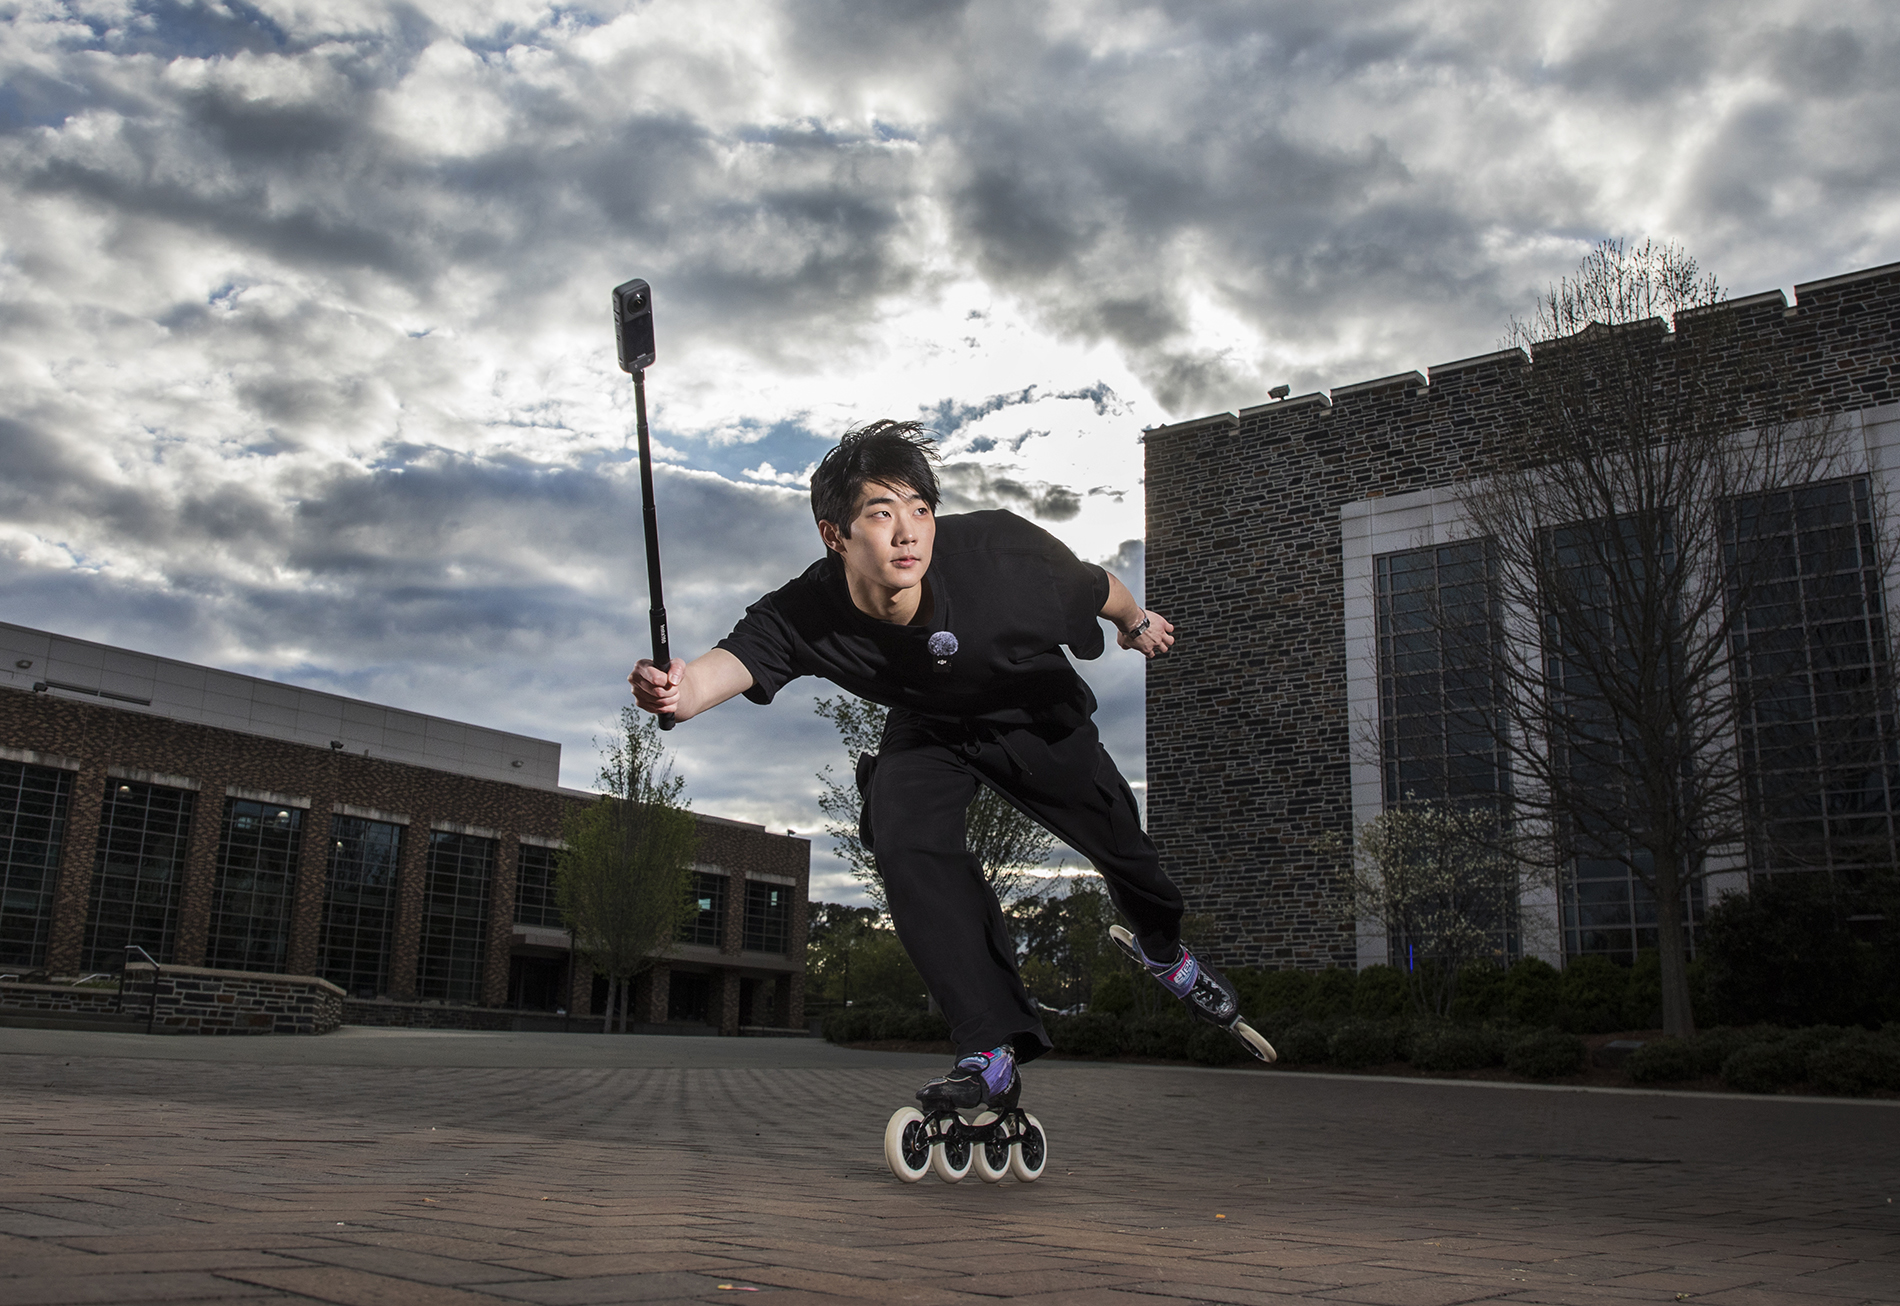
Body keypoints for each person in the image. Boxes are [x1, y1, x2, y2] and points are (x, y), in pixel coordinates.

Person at [629, 420, 1251, 1115]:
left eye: (920, 511)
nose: (907, 534)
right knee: (900, 824)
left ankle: (1165, 953)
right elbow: (731, 664)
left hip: (1032, 713)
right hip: (929, 725)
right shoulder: (810, 608)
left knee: (1128, 853)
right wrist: (677, 692)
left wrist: (1135, 624)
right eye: (881, 513)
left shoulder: (1001, 556)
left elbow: (1097, 586)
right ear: (834, 535)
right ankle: (989, 1048)